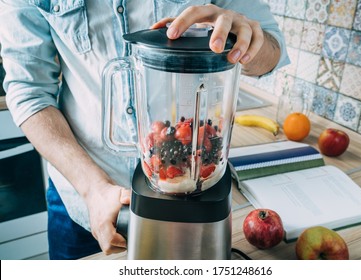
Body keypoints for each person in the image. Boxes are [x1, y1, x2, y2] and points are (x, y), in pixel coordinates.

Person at [0, 0, 289, 259]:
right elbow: (29, 90)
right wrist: (93, 190)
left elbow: (273, 51)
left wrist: (247, 43)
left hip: (203, 178)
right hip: (82, 195)